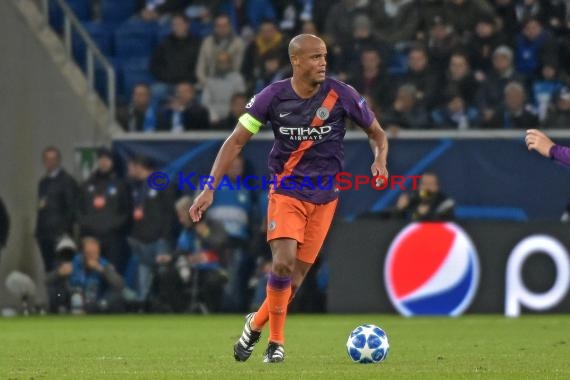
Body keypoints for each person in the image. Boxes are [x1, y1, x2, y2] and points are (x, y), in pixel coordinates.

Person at [189, 34, 388, 363]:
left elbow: (377, 134)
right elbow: (236, 142)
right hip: (286, 191)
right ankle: (276, 343)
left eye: (324, 56)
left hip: (325, 198)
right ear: (296, 61)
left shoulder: (342, 94)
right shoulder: (272, 97)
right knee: (281, 262)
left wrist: (379, 159)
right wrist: (210, 186)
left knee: (292, 281)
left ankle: (254, 324)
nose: (322, 62)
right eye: (314, 57)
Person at [35, 147, 78, 272]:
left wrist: (63, 230)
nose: (50, 162)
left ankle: (60, 293)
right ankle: (52, 293)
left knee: (62, 270)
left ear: (58, 160)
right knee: (49, 271)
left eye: (53, 159)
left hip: (60, 236)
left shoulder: (67, 181)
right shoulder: (43, 182)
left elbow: (72, 209)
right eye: (47, 159)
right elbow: (41, 207)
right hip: (44, 235)